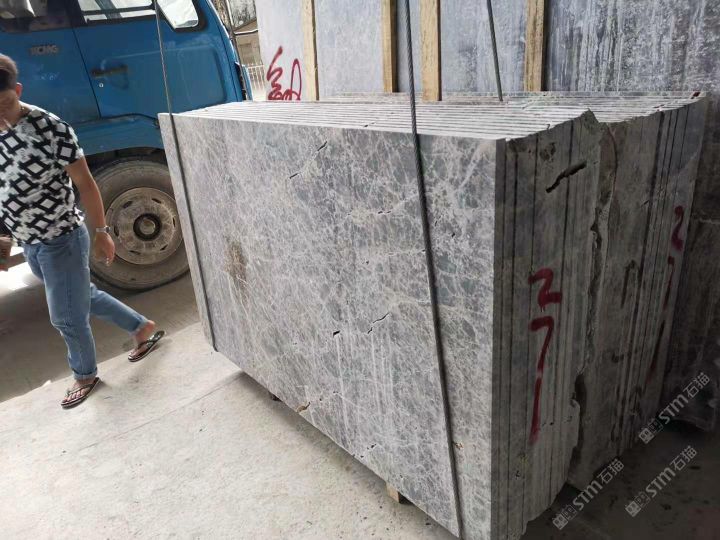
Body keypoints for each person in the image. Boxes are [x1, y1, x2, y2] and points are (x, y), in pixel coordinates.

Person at [0, 54, 164, 408]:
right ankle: (141, 327)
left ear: (18, 90)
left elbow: (86, 183)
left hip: (62, 238)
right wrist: (5, 235)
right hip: (30, 241)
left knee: (66, 317)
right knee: (81, 297)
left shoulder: (50, 128)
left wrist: (102, 231)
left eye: (6, 104)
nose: (1, 114)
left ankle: (85, 374)